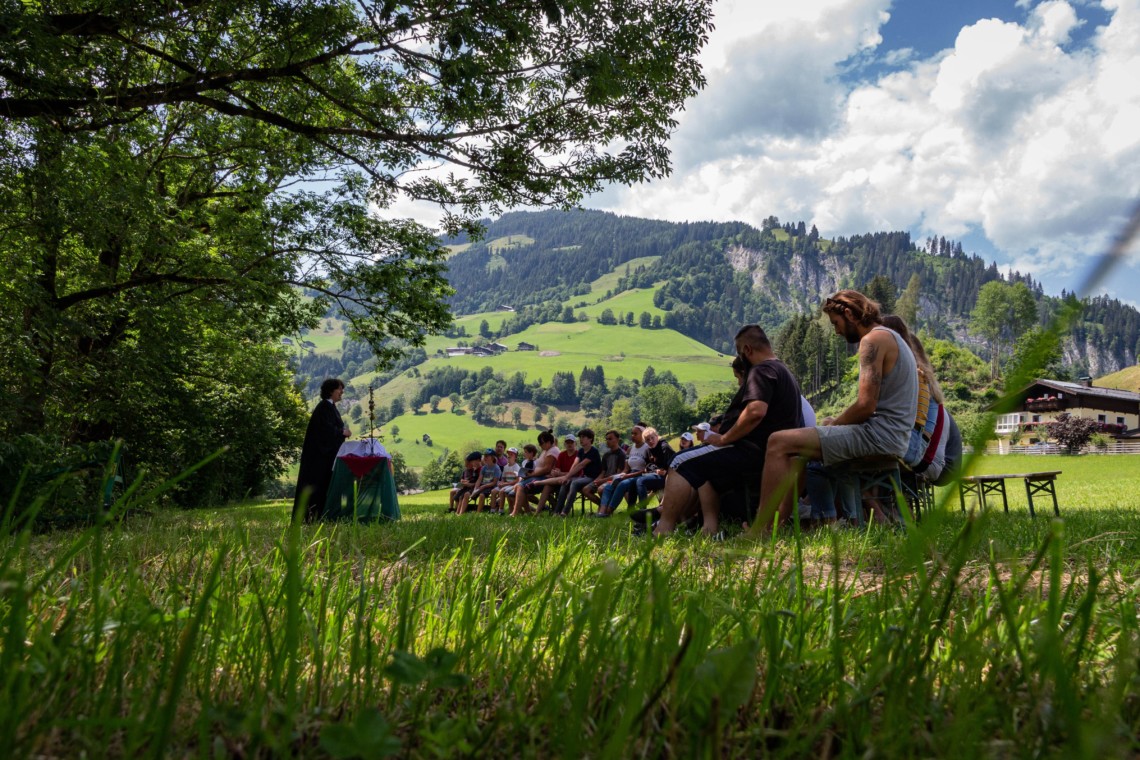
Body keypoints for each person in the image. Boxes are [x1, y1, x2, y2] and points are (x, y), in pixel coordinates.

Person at [755, 290, 918, 534]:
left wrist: (834, 425)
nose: (837, 331)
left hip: (880, 437)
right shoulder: (893, 337)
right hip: (893, 436)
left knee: (777, 441)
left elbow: (865, 405)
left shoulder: (872, 341)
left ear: (850, 314)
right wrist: (838, 421)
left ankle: (759, 529)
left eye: (836, 323)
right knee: (798, 454)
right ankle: (777, 526)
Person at [654, 325, 802, 537]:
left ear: (748, 350)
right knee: (706, 472)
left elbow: (755, 412)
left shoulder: (761, 370)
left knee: (679, 462)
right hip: (771, 453)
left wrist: (724, 438)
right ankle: (708, 527)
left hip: (750, 449)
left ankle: (663, 529)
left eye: (740, 351)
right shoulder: (783, 370)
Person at [293, 378, 351, 524]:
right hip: (319, 459)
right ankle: (312, 518)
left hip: (324, 457)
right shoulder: (324, 407)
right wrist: (342, 432)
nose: (342, 392)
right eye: (339, 389)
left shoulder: (329, 407)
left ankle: (320, 516)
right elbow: (326, 431)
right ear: (331, 390)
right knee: (316, 487)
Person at [596, 425, 650, 517]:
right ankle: (602, 511)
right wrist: (621, 475)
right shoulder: (630, 449)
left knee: (622, 484)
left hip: (640, 475)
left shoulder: (647, 448)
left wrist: (627, 476)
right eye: (632, 433)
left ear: (642, 434)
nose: (632, 435)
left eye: (635, 434)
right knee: (610, 485)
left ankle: (609, 511)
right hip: (630, 474)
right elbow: (626, 469)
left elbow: (647, 469)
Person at [553, 429, 603, 516]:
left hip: (593, 478)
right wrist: (567, 477)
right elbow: (575, 464)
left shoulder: (593, 451)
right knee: (565, 483)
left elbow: (581, 465)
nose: (581, 439)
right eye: (580, 437)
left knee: (574, 483)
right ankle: (557, 512)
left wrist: (566, 476)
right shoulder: (581, 451)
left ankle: (565, 512)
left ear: (590, 439)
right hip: (584, 477)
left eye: (583, 437)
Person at [512, 431, 559, 516]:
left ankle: (515, 513)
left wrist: (532, 475)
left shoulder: (552, 452)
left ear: (548, 442)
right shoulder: (547, 450)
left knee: (519, 486)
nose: (540, 445)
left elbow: (547, 469)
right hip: (538, 476)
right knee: (517, 487)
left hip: (543, 478)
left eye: (541, 443)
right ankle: (527, 511)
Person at [584, 430, 626, 507]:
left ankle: (605, 509)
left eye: (610, 439)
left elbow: (618, 475)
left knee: (601, 489)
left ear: (617, 439)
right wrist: (597, 481)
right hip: (605, 479)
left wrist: (602, 481)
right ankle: (603, 506)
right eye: (606, 439)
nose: (607, 441)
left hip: (615, 480)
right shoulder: (606, 455)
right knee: (586, 490)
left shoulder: (621, 454)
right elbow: (603, 472)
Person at [467, 449, 503, 513]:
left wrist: (484, 486)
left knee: (481, 495)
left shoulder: (496, 468)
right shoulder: (484, 468)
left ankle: (478, 512)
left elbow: (494, 482)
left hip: (491, 486)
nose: (484, 458)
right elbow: (479, 479)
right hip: (483, 485)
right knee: (473, 492)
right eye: (484, 456)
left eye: (487, 456)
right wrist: (476, 488)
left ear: (492, 457)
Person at [490, 447, 521, 513]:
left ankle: (501, 510)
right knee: (493, 491)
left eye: (511, 454)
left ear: (515, 457)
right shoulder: (505, 467)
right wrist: (501, 483)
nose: (509, 455)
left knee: (501, 491)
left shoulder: (516, 467)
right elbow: (504, 478)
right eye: (508, 454)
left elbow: (517, 480)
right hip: (505, 484)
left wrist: (505, 484)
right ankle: (492, 510)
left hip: (512, 485)